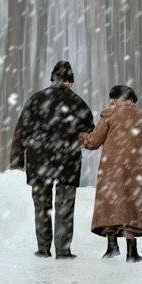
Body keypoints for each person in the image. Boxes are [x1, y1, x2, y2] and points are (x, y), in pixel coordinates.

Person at [10, 61, 94, 258]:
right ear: (70, 81)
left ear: (53, 78)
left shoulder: (36, 99)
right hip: (67, 162)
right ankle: (63, 250)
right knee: (65, 206)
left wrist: (17, 160)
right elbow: (90, 130)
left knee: (42, 207)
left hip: (38, 162)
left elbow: (20, 130)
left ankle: (43, 248)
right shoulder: (77, 103)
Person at [79, 85, 142, 262]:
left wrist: (79, 135)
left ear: (115, 99)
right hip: (134, 171)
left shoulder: (109, 114)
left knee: (110, 204)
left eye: (111, 100)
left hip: (111, 169)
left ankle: (112, 246)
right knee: (129, 206)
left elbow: (93, 141)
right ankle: (132, 252)